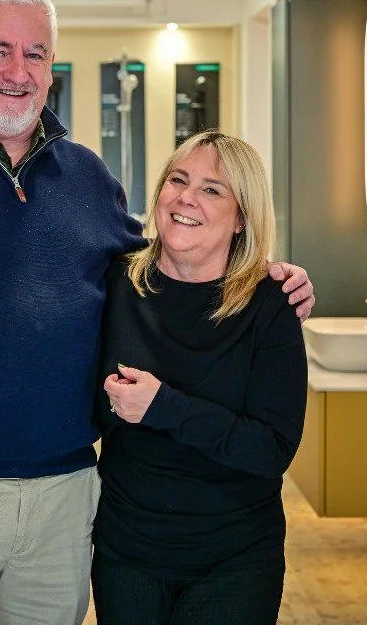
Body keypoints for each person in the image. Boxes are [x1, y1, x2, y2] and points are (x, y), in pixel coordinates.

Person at [0, 0, 314, 625]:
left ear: (52, 67)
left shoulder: (89, 179)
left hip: (66, 499)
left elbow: (161, 266)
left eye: (36, 53)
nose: (17, 71)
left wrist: (259, 273)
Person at [92, 130, 308, 625]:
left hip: (234, 561)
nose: (187, 197)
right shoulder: (116, 283)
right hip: (127, 553)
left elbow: (272, 448)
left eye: (212, 189)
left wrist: (164, 406)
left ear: (241, 219)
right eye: (178, 179)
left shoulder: (270, 306)